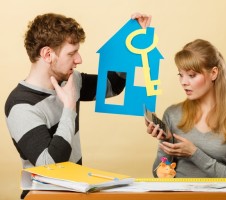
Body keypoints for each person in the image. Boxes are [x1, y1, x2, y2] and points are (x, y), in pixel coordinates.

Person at [4, 12, 151, 199]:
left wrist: (132, 40)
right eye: (71, 53)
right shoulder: (21, 105)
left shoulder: (71, 81)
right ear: (48, 54)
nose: (79, 59)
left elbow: (112, 85)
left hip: (75, 194)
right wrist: (69, 106)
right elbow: (52, 166)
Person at [146, 39, 226, 178]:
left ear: (214, 73)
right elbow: (158, 175)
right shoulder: (172, 114)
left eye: (192, 75)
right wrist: (167, 141)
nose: (184, 82)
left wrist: (194, 154)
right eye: (181, 75)